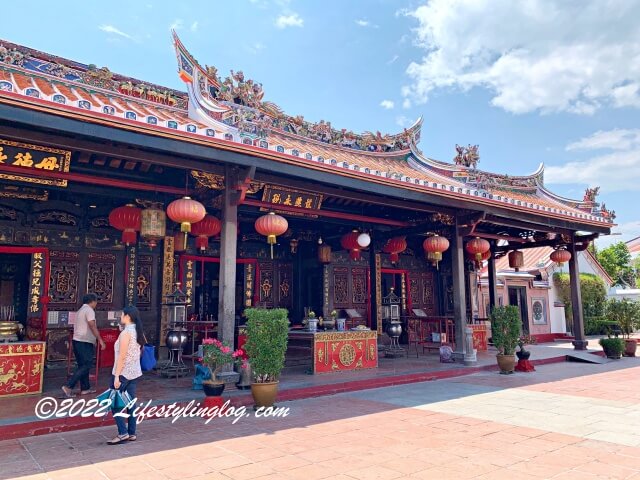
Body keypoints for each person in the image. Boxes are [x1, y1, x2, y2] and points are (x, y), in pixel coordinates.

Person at [107, 305, 144, 445]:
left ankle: (123, 432)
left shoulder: (125, 334)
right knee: (131, 403)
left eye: (122, 314)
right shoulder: (137, 331)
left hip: (122, 373)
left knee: (114, 402)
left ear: (127, 316)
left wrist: (116, 376)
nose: (121, 316)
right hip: (134, 372)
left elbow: (122, 356)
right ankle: (132, 432)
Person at [62, 293, 105, 397]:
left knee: (83, 365)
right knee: (87, 364)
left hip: (77, 340)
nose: (96, 304)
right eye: (96, 301)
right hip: (84, 341)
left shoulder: (80, 310)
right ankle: (68, 386)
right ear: (92, 301)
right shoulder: (89, 310)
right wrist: (100, 339)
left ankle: (85, 388)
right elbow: (92, 325)